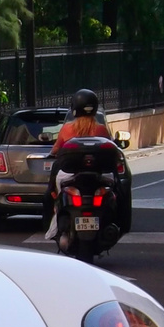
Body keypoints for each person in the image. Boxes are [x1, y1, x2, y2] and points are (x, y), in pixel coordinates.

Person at [45, 89, 112, 239]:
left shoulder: (67, 128)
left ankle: (54, 216)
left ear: (75, 108)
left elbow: (55, 149)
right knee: (117, 191)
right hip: (97, 175)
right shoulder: (101, 129)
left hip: (68, 174)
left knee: (50, 192)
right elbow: (110, 149)